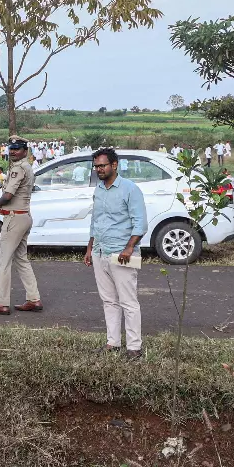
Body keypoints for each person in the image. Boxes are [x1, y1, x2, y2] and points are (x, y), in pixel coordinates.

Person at [83, 149, 147, 359]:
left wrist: (129, 248)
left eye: (103, 165)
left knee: (128, 301)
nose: (99, 170)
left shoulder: (130, 189)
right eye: (97, 166)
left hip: (122, 253)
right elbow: (96, 221)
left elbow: (141, 223)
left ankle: (134, 347)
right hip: (100, 251)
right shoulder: (99, 189)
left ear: (114, 165)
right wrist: (90, 247)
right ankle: (113, 342)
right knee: (108, 300)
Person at [0, 138, 42, 315]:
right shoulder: (26, 166)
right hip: (24, 216)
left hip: (15, 218)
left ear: (25, 151)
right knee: (21, 259)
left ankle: (2, 303)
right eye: (11, 149)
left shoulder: (19, 168)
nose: (13, 152)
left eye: (17, 149)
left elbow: (9, 194)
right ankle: (34, 299)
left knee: (4, 262)